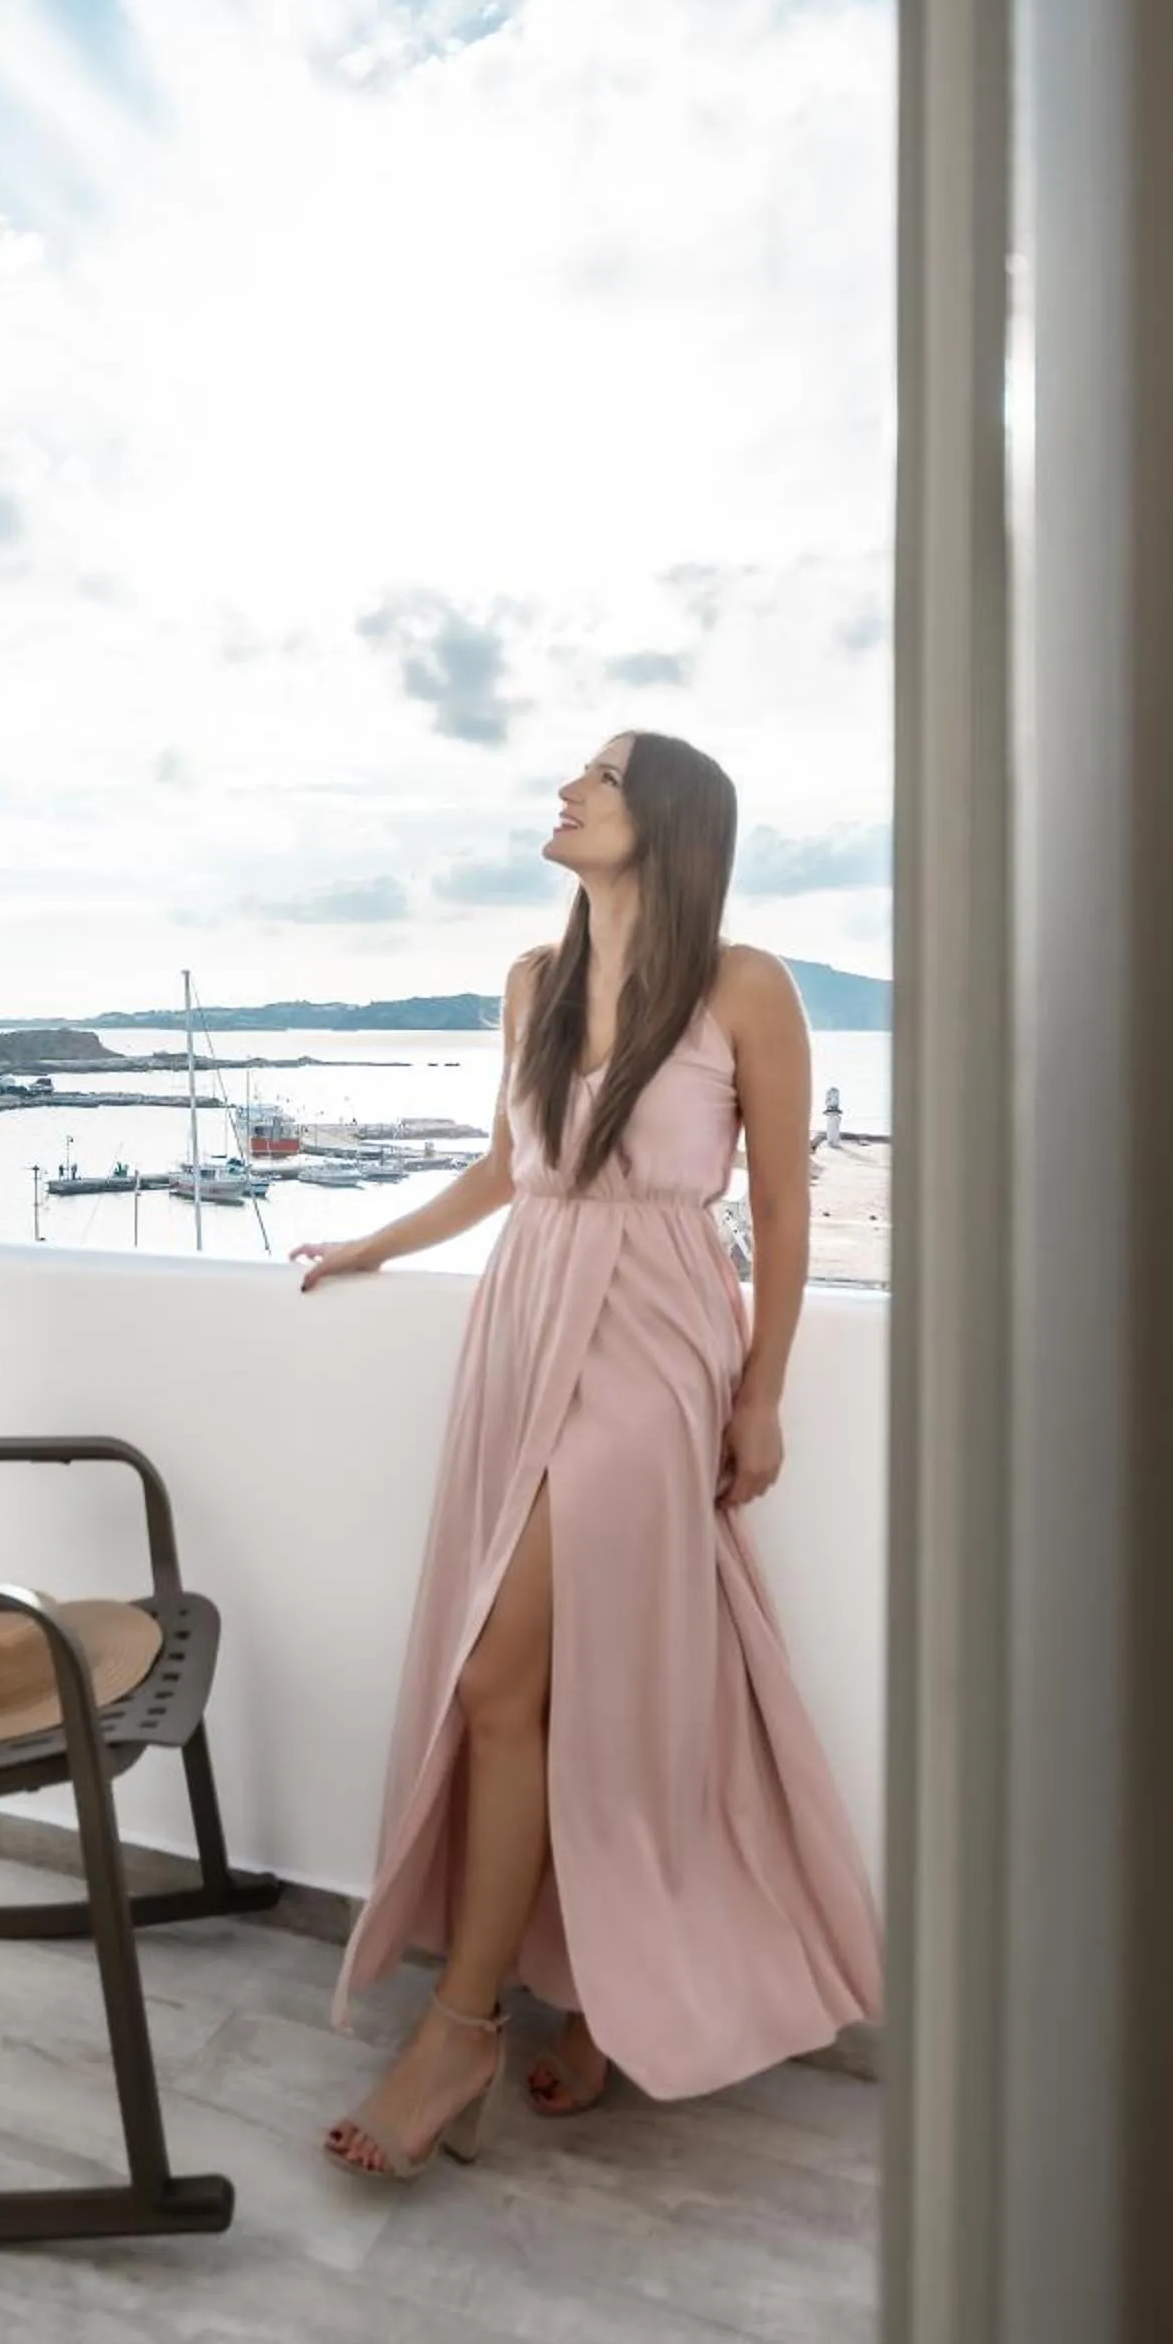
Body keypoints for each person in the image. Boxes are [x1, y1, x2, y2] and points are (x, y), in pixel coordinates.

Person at [291, 730, 881, 2180]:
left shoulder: (749, 988)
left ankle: (465, 2027)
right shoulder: (534, 984)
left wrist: (763, 1392)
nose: (568, 790)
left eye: (603, 778)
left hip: (660, 1334)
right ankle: (598, 1995)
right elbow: (513, 1165)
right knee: (565, 1689)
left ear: (669, 820)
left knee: (508, 1672)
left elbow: (788, 1216)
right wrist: (376, 1239)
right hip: (527, 1316)